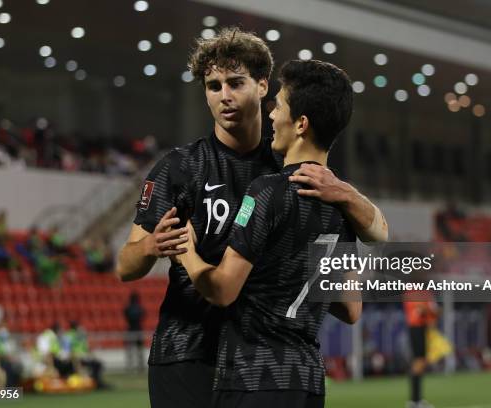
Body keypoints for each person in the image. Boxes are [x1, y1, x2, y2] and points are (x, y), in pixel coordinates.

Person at [116, 28, 387, 408]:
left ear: (262, 86)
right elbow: (125, 266)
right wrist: (150, 245)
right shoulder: (179, 168)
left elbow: (368, 248)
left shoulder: (295, 170)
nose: (224, 96)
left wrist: (346, 194)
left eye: (235, 83)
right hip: (187, 353)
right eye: (213, 86)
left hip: (253, 364)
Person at [176, 59, 362, 408]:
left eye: (278, 106)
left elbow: (222, 290)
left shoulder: (266, 192)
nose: (272, 116)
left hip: (253, 376)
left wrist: (186, 251)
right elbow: (351, 308)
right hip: (307, 380)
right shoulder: (344, 208)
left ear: (301, 124)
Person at [403, 291, 439, 408]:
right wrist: (432, 311)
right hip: (416, 328)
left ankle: (416, 400)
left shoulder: (422, 291)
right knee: (418, 363)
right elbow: (424, 308)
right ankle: (415, 401)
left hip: (420, 328)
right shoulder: (414, 290)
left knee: (420, 363)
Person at [123, 291, 146, 372]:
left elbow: (125, 316)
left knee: (130, 349)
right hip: (138, 329)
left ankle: (130, 367)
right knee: (139, 349)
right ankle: (141, 366)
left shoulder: (127, 308)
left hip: (130, 330)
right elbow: (143, 316)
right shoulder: (140, 308)